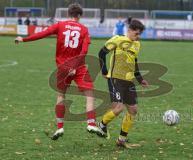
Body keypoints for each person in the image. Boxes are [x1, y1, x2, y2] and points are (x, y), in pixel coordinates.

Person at [15, 3, 102, 140]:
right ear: (79, 16)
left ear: (68, 14)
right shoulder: (84, 29)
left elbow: (42, 34)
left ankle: (60, 127)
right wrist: (75, 65)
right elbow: (84, 50)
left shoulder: (60, 25)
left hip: (63, 67)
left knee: (61, 95)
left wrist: (24, 39)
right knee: (90, 94)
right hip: (78, 66)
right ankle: (91, 123)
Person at [97, 19, 149, 148]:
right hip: (115, 79)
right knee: (119, 108)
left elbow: (134, 62)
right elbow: (101, 53)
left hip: (129, 81)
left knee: (133, 110)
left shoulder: (137, 44)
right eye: (136, 34)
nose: (138, 37)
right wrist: (104, 70)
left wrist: (140, 79)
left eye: (139, 34)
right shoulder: (117, 39)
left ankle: (121, 140)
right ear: (129, 30)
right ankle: (101, 124)